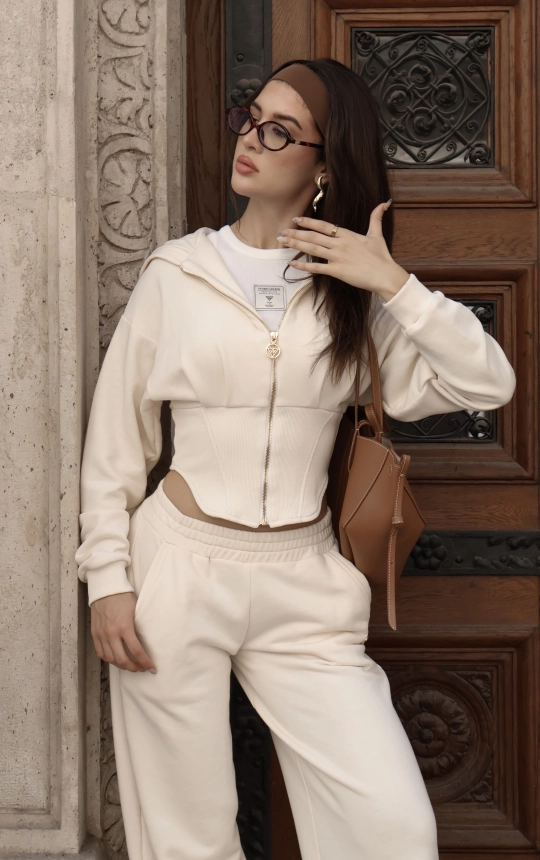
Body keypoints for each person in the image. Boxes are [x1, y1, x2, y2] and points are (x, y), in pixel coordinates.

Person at [75, 58, 516, 860]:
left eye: (279, 131)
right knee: (187, 841)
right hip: (177, 572)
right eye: (251, 117)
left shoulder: (353, 295)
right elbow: (115, 445)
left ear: (325, 166)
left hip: (305, 584)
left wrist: (392, 283)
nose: (250, 139)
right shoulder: (177, 273)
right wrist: (108, 580)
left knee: (392, 829)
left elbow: (487, 383)